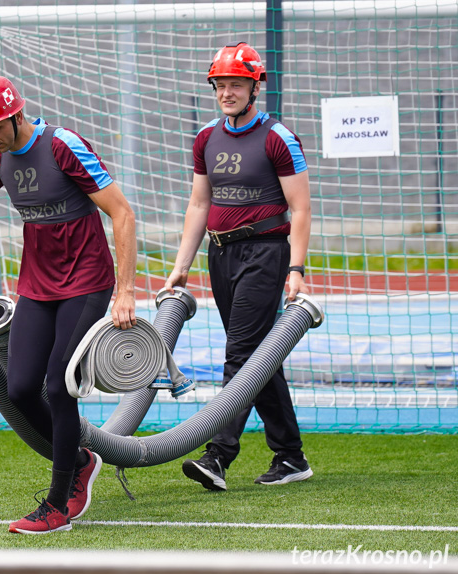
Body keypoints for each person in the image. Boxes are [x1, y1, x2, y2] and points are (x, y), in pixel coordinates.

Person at [0, 76, 137, 534]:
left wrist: (126, 291)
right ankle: (80, 459)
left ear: (17, 115)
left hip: (87, 283)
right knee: (19, 391)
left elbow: (122, 212)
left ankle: (56, 507)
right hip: (36, 288)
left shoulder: (63, 146)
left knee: (59, 386)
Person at [166, 42, 313, 491]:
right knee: (254, 357)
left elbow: (301, 209)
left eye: (236, 84)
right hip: (220, 254)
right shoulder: (206, 137)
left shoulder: (277, 136)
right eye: (220, 84)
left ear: (255, 87)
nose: (227, 92)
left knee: (240, 354)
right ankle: (290, 455)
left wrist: (297, 268)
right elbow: (198, 202)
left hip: (266, 253)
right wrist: (181, 266)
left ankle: (218, 454)